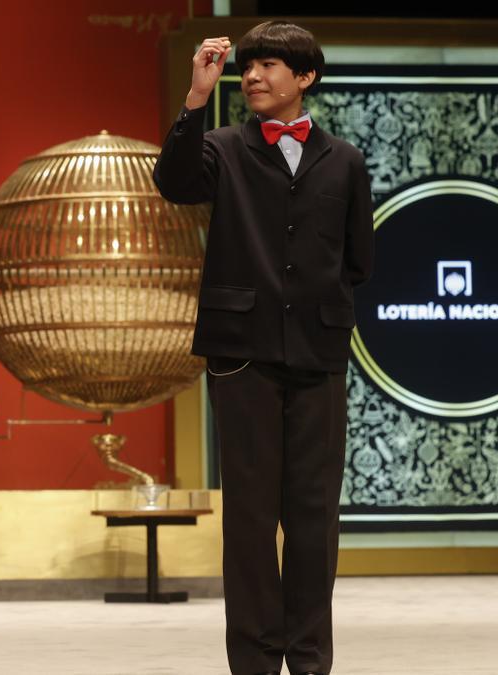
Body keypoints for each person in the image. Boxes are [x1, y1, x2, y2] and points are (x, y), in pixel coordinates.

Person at [152, 21, 374, 675]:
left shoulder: (346, 160)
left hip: (318, 353)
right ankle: (253, 660)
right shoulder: (220, 147)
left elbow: (359, 258)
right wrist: (195, 98)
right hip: (240, 352)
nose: (251, 76)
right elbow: (174, 181)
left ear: (304, 78)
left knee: (314, 516)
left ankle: (309, 658)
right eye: (246, 67)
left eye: (267, 65)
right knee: (249, 517)